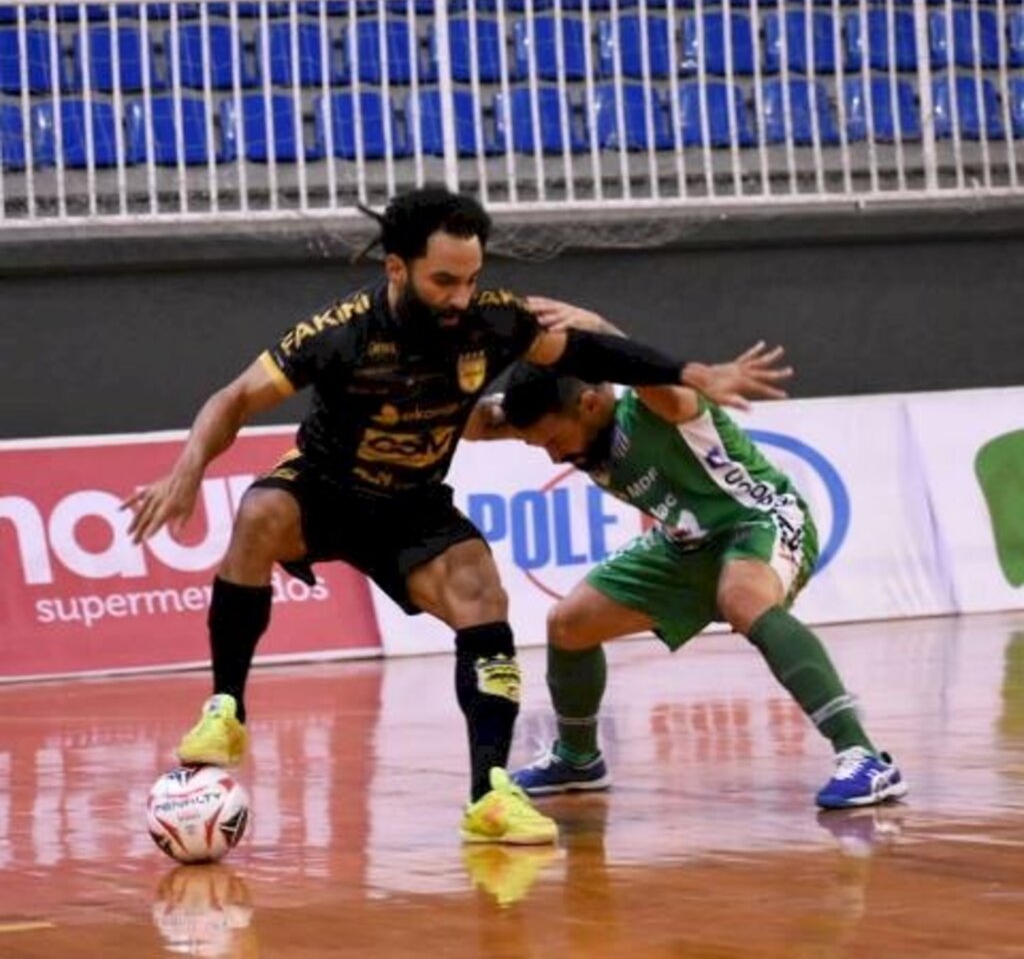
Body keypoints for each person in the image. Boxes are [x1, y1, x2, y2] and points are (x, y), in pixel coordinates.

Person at [122, 186, 792, 847]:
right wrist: (187, 470)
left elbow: (590, 357)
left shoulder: (492, 321)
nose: (459, 297)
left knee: (482, 593)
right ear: (397, 268)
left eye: (471, 279)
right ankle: (226, 709)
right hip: (325, 489)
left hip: (413, 508)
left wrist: (689, 370)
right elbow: (234, 398)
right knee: (260, 511)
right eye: (443, 281)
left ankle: (490, 794)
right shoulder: (340, 335)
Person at [467, 297, 907, 810]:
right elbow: (474, 422)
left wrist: (590, 322)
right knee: (569, 623)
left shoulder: (661, 407)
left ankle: (863, 755)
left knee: (743, 596)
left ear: (589, 403)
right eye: (539, 447)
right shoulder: (559, 418)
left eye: (554, 441)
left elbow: (639, 363)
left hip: (759, 519)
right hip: (687, 541)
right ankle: (578, 759)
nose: (555, 456)